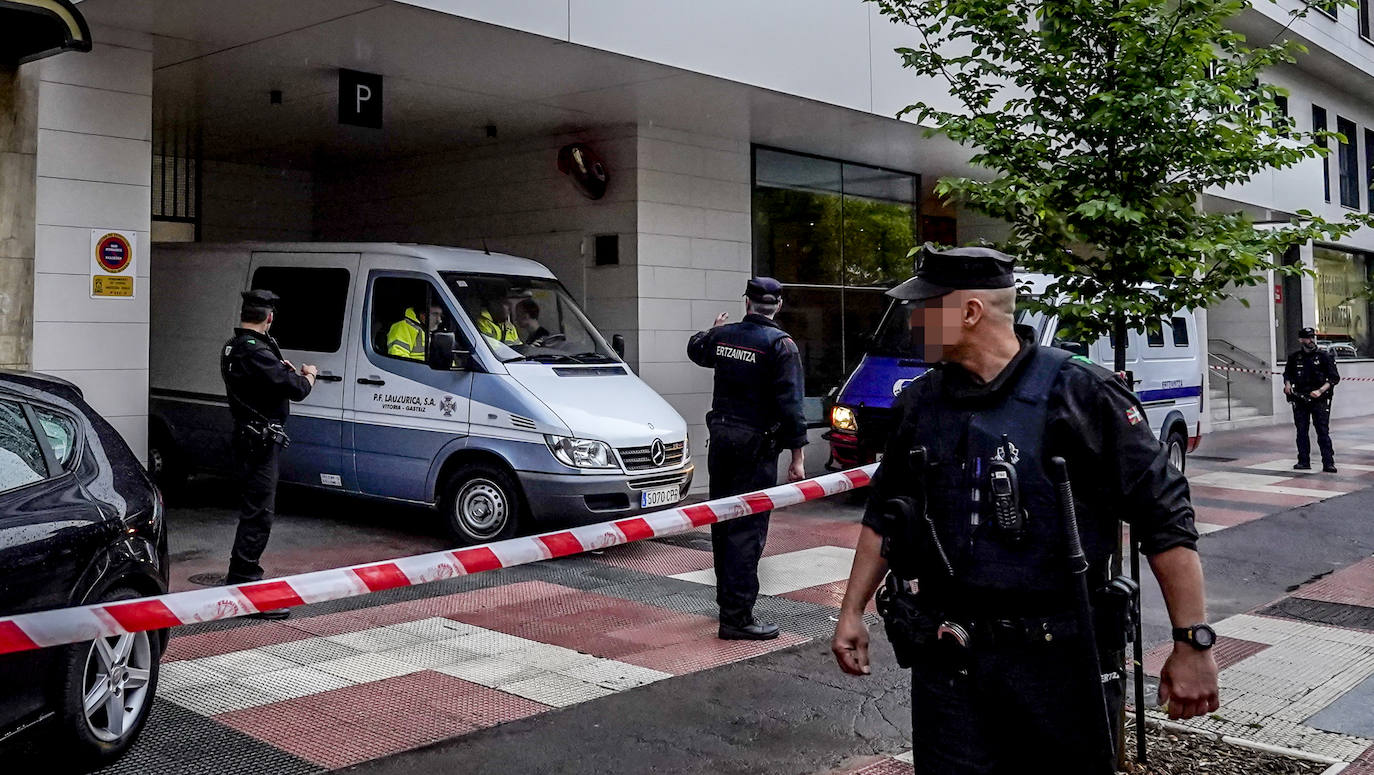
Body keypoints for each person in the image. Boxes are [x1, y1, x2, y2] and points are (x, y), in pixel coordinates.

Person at [829, 246, 1219, 774]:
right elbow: (886, 514)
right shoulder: (919, 402)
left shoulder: (1081, 393)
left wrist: (1192, 642)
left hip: (1060, 667)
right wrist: (852, 610)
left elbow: (1165, 519)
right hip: (950, 664)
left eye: (924, 309)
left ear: (969, 313)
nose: (913, 322)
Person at [687, 277, 808, 640]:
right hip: (755, 448)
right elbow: (792, 406)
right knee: (747, 531)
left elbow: (696, 350)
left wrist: (716, 329)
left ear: (747, 302)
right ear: (779, 305)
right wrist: (797, 456)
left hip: (722, 442)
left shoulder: (726, 337)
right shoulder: (781, 345)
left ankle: (728, 604)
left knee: (722, 525)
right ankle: (737, 618)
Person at [220, 290, 316, 618]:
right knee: (259, 513)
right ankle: (245, 583)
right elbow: (298, 389)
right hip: (259, 442)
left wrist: (281, 370)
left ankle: (240, 576)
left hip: (247, 436)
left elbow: (267, 382)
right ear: (269, 318)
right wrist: (308, 375)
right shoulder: (255, 352)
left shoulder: (235, 347)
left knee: (253, 511)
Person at [1283, 326, 1340, 473]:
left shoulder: (1324, 356)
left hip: (1319, 398)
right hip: (1301, 398)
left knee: (1322, 431)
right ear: (1301, 340)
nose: (1311, 340)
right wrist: (1288, 385)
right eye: (1307, 338)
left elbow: (1334, 378)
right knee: (1301, 431)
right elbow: (1287, 374)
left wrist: (1320, 390)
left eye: (1312, 337)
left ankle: (1328, 462)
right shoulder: (1295, 357)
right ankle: (1303, 461)